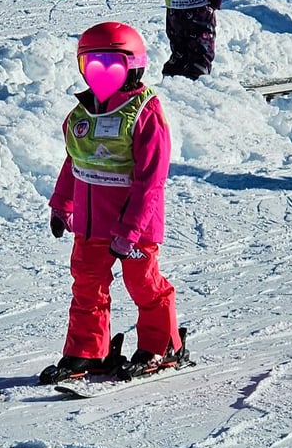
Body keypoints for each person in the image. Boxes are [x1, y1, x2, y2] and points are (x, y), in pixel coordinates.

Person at [39, 22, 188, 384]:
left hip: (133, 226)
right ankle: (88, 351)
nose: (99, 74)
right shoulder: (83, 114)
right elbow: (76, 161)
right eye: (91, 65)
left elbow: (151, 179)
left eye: (111, 64)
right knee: (87, 284)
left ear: (133, 66)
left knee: (143, 284)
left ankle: (162, 343)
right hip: (91, 224)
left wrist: (131, 229)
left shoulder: (144, 113)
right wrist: (62, 203)